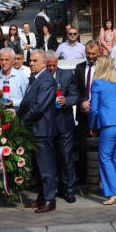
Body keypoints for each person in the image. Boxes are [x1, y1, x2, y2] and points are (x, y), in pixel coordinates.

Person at [89, 56, 116, 205]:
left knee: (105, 157)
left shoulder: (97, 83)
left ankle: (112, 192)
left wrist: (92, 126)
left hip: (109, 124)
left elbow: (93, 109)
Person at [19, 50, 58, 213]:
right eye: (30, 61)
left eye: (35, 61)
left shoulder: (47, 80)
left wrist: (22, 121)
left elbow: (39, 107)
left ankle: (50, 200)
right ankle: (42, 198)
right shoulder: (35, 78)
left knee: (46, 167)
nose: (31, 63)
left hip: (42, 130)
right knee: (39, 169)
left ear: (44, 63)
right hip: (34, 130)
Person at [46, 51, 78, 203]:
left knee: (66, 158)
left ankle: (69, 189)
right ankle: (55, 187)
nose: (52, 68)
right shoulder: (40, 76)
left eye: (54, 65)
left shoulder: (66, 75)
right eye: (49, 66)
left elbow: (75, 96)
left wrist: (67, 100)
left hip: (63, 122)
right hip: (47, 124)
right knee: (51, 159)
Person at [74, 40, 100, 184]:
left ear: (99, 53)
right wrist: (82, 102)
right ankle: (83, 177)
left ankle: (100, 177)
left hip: (99, 114)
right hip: (84, 114)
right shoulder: (79, 68)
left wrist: (94, 105)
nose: (90, 56)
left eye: (93, 54)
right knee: (83, 148)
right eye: (88, 53)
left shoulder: (103, 68)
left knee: (101, 147)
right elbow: (75, 88)